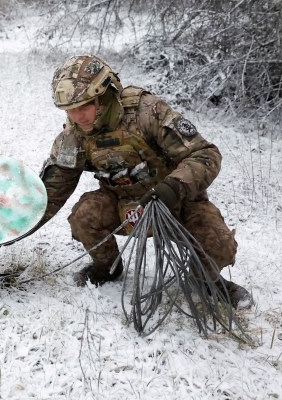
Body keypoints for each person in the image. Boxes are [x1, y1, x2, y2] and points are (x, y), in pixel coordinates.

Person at [37, 54, 253, 308]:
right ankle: (107, 268)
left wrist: (172, 188)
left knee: (218, 244)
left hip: (175, 201)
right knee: (84, 215)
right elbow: (52, 190)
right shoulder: (73, 136)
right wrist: (10, 229)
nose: (77, 117)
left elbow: (205, 154)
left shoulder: (147, 112)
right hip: (123, 204)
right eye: (70, 110)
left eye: (84, 106)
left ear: (104, 96)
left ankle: (207, 281)